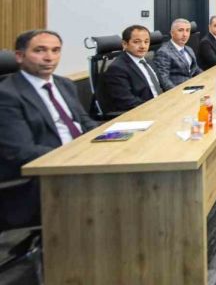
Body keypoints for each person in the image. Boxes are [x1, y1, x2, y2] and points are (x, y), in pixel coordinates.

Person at [0, 30, 98, 227]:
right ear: (19, 56)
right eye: (39, 50)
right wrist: (76, 155)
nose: (49, 57)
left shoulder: (64, 84)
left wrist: (106, 138)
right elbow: (21, 152)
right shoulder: (7, 94)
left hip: (80, 161)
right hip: (41, 178)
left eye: (56, 50)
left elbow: (84, 122)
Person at [103, 25, 163, 113]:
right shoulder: (117, 68)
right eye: (136, 42)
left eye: (146, 42)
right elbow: (127, 102)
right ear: (125, 44)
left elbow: (162, 85)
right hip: (143, 112)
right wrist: (156, 108)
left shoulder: (148, 61)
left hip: (161, 105)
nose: (143, 46)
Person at [153, 18, 202, 91]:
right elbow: (164, 80)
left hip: (193, 86)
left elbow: (195, 69)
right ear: (172, 33)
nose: (185, 34)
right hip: (179, 90)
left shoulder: (189, 49)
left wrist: (206, 77)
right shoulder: (163, 52)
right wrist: (177, 93)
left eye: (187, 30)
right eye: (180, 30)